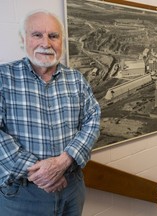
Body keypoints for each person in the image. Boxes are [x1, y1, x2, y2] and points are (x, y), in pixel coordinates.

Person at [0, 10, 101, 215]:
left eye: (53, 36)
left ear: (61, 41)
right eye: (37, 35)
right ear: (23, 39)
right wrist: (42, 173)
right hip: (21, 194)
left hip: (71, 188)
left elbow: (93, 119)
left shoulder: (76, 79)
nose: (46, 43)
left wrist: (63, 162)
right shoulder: (3, 78)